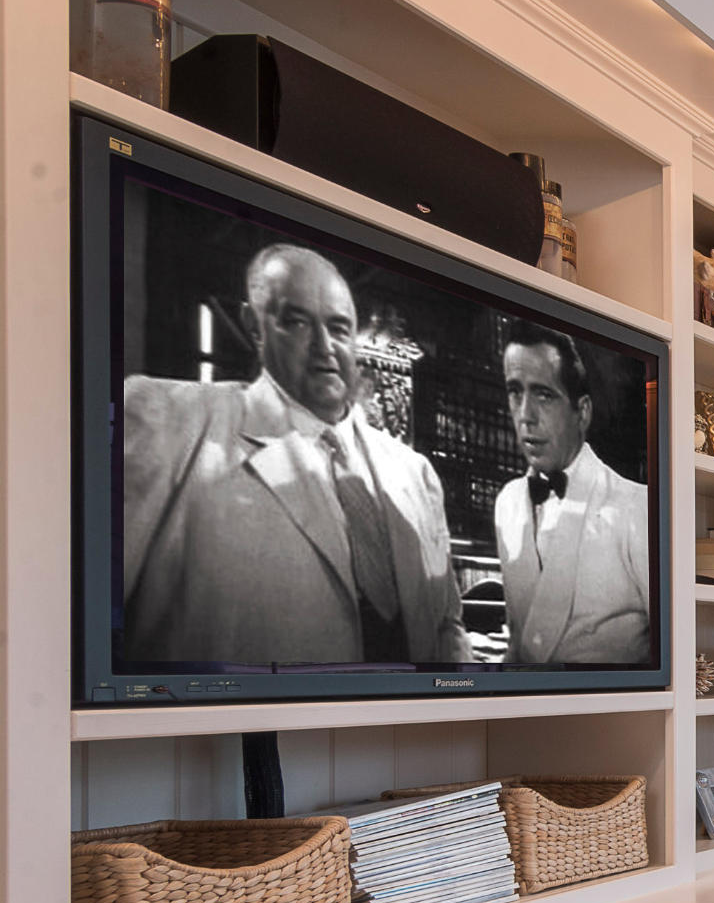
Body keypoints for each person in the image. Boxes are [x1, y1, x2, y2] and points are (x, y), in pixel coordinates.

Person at [118, 243, 465, 666]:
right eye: (297, 322)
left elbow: (447, 626)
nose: (324, 347)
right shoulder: (169, 420)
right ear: (254, 327)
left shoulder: (416, 472)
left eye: (339, 328)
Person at [492, 324, 651, 666]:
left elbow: (677, 653)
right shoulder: (507, 502)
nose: (525, 416)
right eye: (515, 392)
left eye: (544, 395)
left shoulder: (638, 507)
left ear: (582, 413)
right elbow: (524, 641)